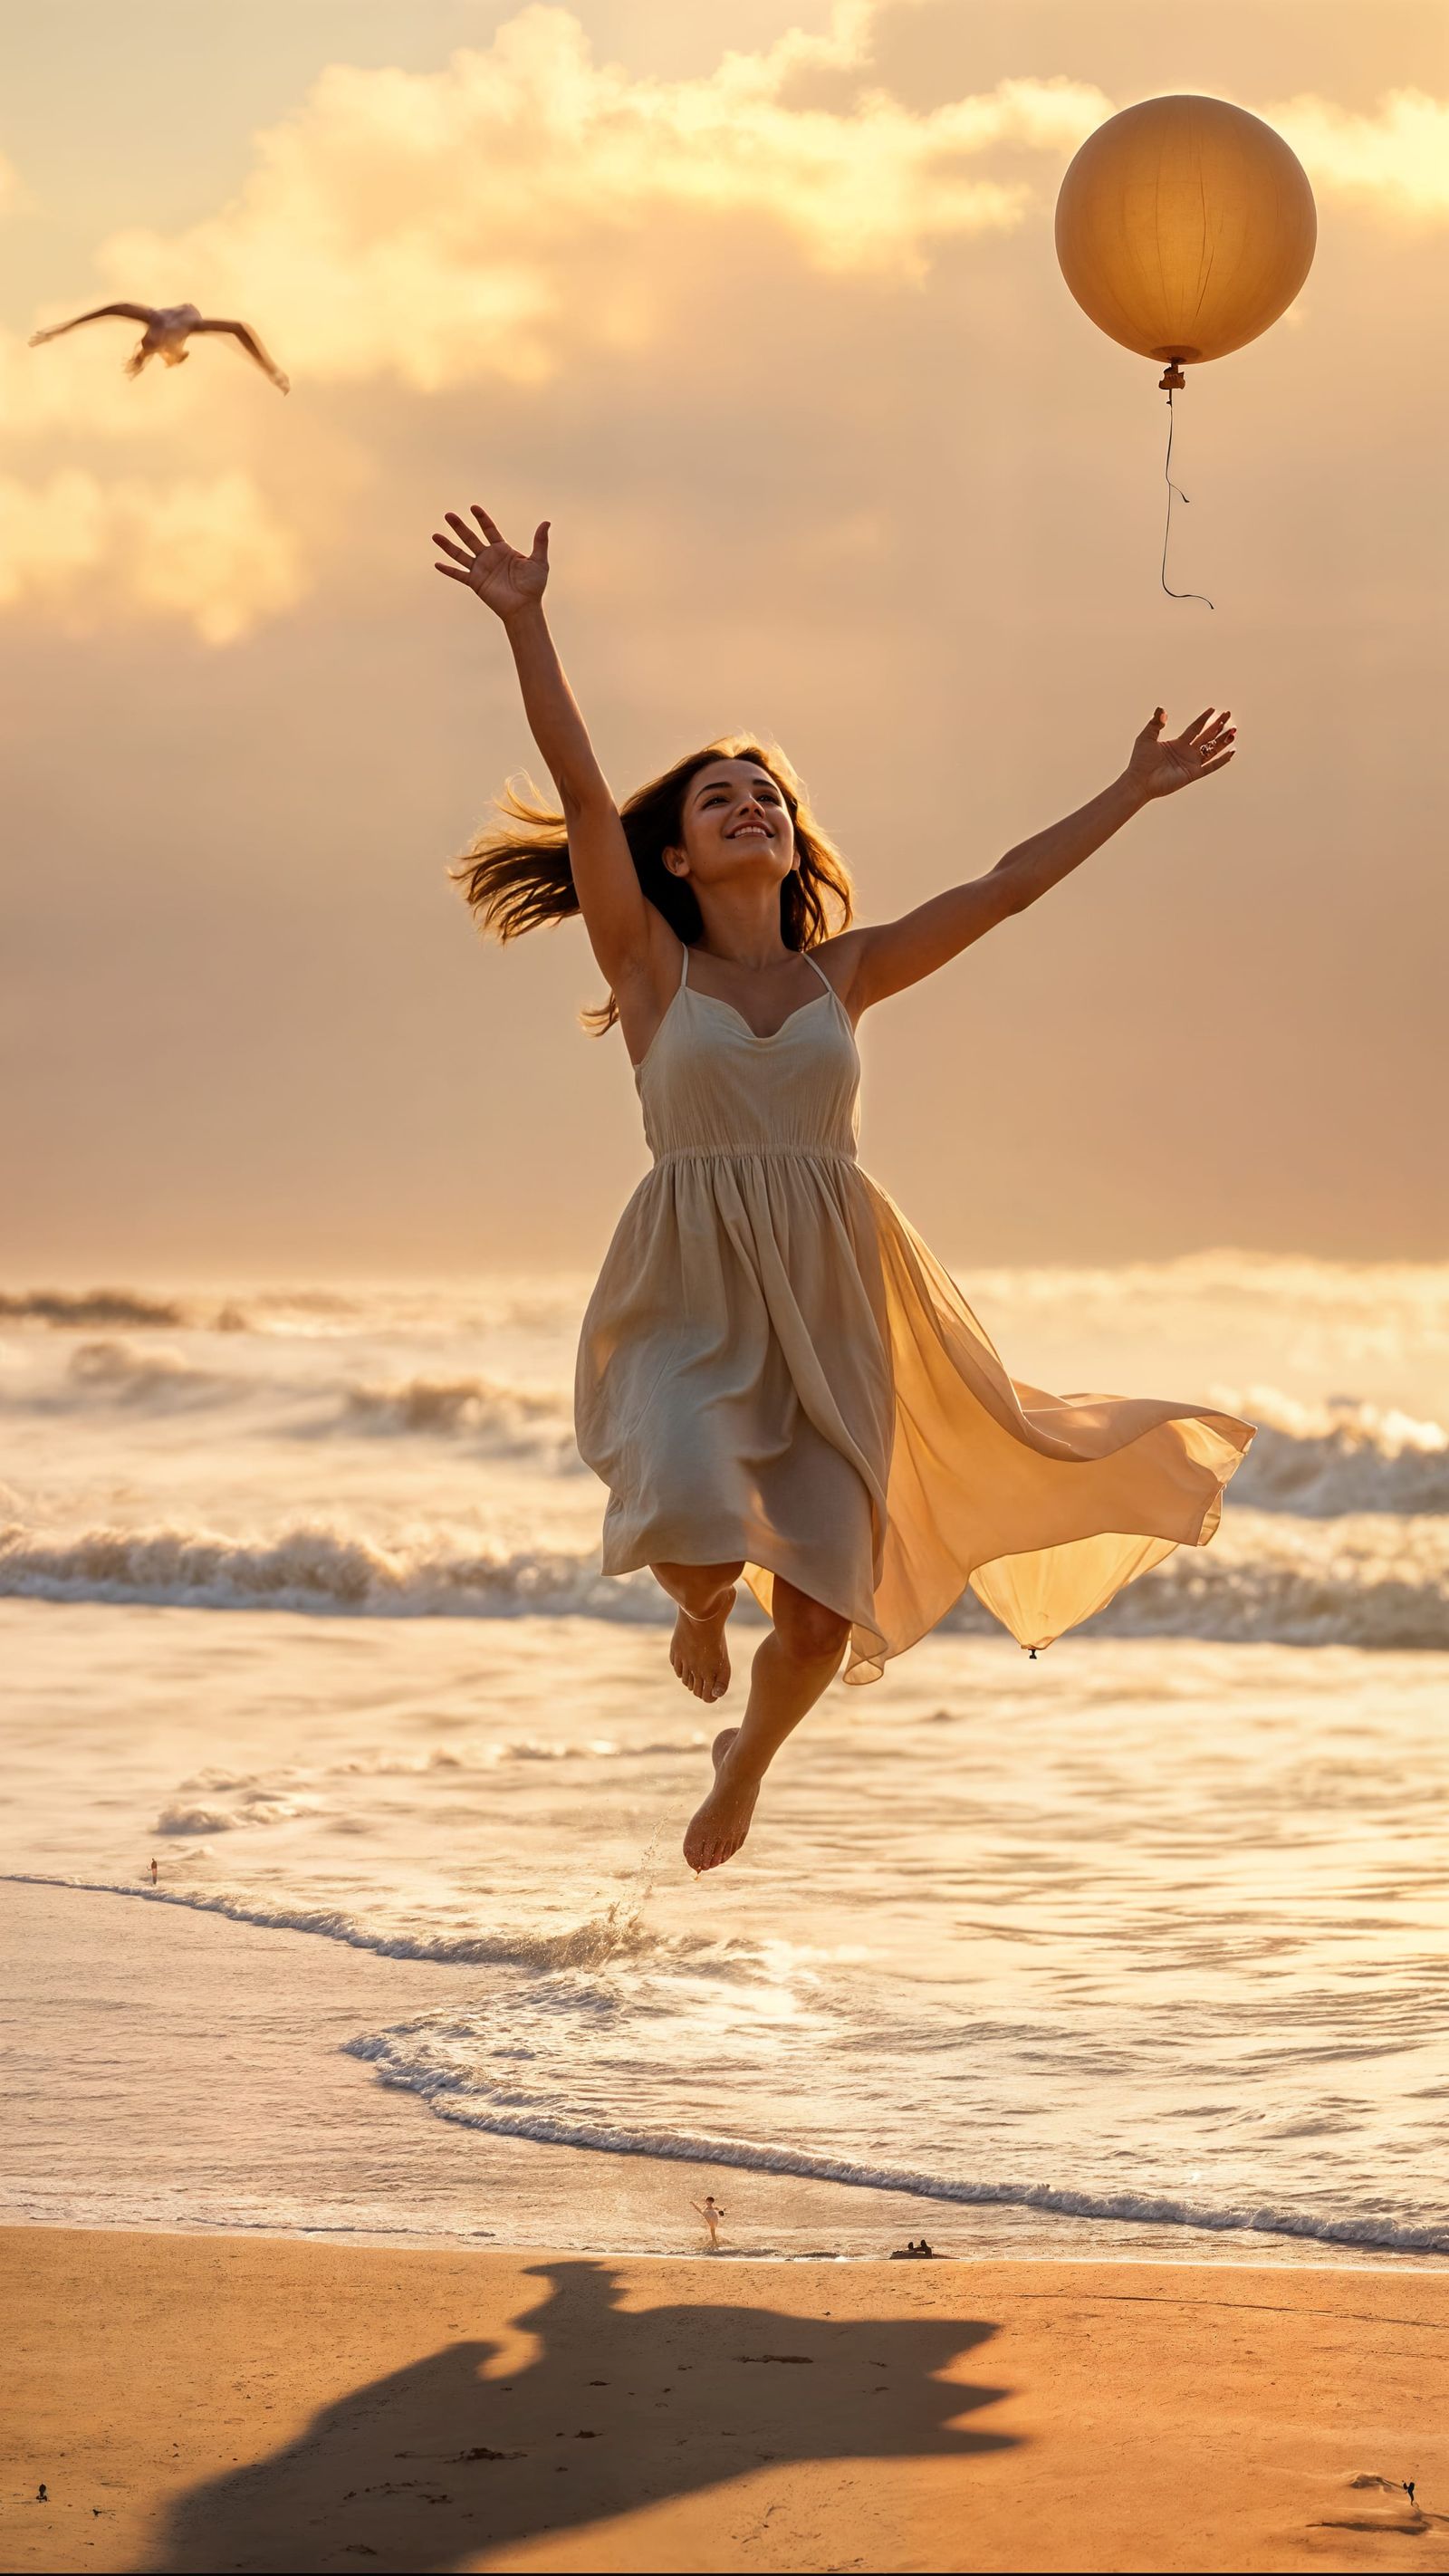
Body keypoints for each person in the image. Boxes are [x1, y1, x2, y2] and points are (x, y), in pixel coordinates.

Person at [433, 504, 1252, 1875]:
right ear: (680, 857)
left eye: (771, 797)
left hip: (835, 1292)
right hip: (692, 1288)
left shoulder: (844, 975)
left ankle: (744, 1758)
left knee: (819, 1613)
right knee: (694, 1520)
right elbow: (584, 798)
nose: (752, 805)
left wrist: (1131, 791)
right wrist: (527, 620)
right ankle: (696, 1607)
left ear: (792, 848)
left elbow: (1001, 892)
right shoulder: (648, 969)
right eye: (719, 798)